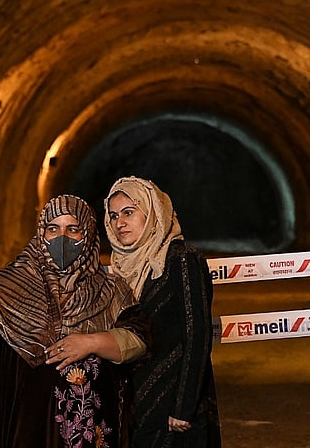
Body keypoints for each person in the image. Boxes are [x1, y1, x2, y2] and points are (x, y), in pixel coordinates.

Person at [0, 194, 150, 448]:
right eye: (53, 228)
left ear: (88, 234)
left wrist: (90, 342)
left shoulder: (110, 289)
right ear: (40, 232)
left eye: (73, 229)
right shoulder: (10, 284)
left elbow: (138, 339)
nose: (62, 238)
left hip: (90, 431)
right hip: (26, 427)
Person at [104, 176, 222, 447]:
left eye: (129, 212)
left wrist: (184, 405)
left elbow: (197, 334)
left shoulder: (181, 259)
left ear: (153, 211)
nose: (119, 222)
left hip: (173, 404)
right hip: (135, 402)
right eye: (113, 216)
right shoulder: (120, 267)